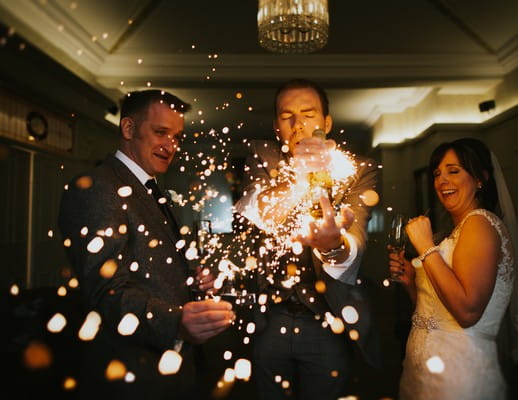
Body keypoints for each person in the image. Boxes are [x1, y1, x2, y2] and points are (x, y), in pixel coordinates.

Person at [58, 89, 234, 400]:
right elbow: (104, 290)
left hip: (166, 369)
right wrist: (176, 322)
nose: (171, 146)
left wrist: (191, 280)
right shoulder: (101, 187)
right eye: (161, 132)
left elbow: (149, 269)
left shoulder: (149, 187)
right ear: (128, 129)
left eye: (177, 136)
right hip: (131, 372)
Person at [233, 79, 382, 399]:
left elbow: (356, 242)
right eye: (287, 117)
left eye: (308, 114)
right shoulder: (261, 156)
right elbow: (263, 212)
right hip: (270, 320)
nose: (298, 125)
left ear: (326, 122)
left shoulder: (357, 169)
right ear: (276, 127)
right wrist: (301, 175)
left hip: (327, 320)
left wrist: (334, 247)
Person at [388, 137, 518, 399]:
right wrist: (410, 282)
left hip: (459, 374)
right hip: (421, 369)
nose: (442, 181)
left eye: (454, 171)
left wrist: (426, 248)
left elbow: (468, 311)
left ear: (480, 178)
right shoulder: (455, 232)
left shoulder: (480, 225)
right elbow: (438, 313)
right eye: (437, 173)